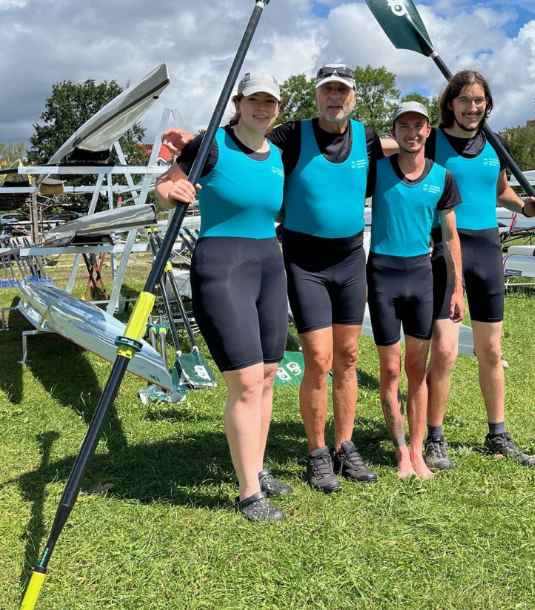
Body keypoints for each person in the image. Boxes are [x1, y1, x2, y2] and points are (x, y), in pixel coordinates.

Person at [164, 64, 388, 493]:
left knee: (314, 365)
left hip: (315, 259)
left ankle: (331, 449)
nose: (335, 97)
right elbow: (217, 152)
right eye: (327, 91)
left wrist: (421, 146)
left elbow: (392, 153)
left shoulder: (357, 139)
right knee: (295, 366)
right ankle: (303, 461)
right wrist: (181, 163)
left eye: (343, 91)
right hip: (274, 260)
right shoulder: (283, 138)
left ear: (353, 98)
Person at [155, 72, 291, 522]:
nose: (262, 108)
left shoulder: (279, 156)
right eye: (255, 100)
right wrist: (168, 193)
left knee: (269, 374)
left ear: (278, 108)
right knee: (246, 381)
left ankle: (257, 464)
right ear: (238, 102)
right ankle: (249, 492)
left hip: (269, 264)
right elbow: (162, 188)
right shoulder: (210, 145)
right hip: (222, 264)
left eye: (270, 102)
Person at [423, 70, 535, 470]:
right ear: (450, 104)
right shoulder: (432, 142)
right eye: (464, 100)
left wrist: (527, 207)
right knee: (443, 351)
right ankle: (435, 438)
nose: (472, 107)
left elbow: (499, 192)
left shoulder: (496, 143)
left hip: (487, 248)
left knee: (490, 349)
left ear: (487, 103)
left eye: (478, 100)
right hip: (445, 250)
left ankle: (498, 434)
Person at [367, 101, 464, 479]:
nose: (412, 132)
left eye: (418, 126)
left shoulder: (443, 177)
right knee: (390, 371)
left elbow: (452, 235)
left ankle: (418, 450)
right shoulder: (376, 172)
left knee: (416, 371)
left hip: (422, 276)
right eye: (403, 126)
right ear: (395, 132)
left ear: (428, 131)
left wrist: (457, 290)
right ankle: (400, 454)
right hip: (383, 274)